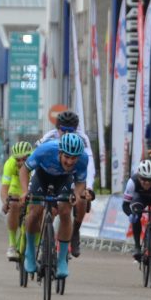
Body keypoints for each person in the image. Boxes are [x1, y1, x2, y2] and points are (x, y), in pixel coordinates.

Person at [20, 133, 88, 279]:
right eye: (67, 157)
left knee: (65, 211)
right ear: (60, 152)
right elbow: (24, 169)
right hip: (41, 176)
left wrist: (76, 194)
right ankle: (30, 251)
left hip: (64, 179)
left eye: (74, 158)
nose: (70, 162)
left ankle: (62, 259)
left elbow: (81, 182)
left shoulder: (83, 159)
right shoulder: (45, 150)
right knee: (34, 212)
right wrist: (25, 192)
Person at [36, 110, 96, 258]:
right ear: (58, 128)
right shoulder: (49, 137)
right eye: (63, 129)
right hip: (50, 173)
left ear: (76, 129)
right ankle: (45, 241)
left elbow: (89, 164)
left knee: (81, 200)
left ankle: (74, 232)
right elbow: (36, 159)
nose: (67, 133)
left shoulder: (82, 139)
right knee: (49, 210)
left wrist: (89, 188)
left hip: (72, 173)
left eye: (71, 130)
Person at [0, 141, 33, 261]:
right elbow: (4, 188)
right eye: (18, 160)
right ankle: (12, 245)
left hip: (32, 185)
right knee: (13, 204)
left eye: (24, 159)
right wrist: (6, 202)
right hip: (16, 186)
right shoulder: (9, 164)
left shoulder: (36, 161)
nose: (21, 163)